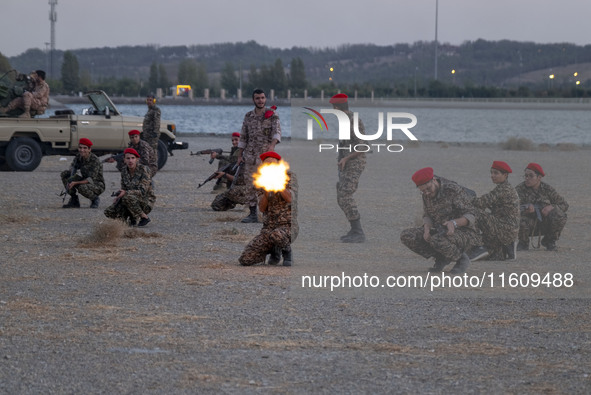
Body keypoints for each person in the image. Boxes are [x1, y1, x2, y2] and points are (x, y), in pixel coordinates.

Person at [400, 167, 482, 274]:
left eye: (428, 189)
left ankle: (461, 259)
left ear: (434, 180)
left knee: (436, 239)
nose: (427, 193)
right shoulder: (426, 194)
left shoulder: (452, 190)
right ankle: (442, 258)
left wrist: (454, 223)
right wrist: (427, 228)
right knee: (408, 235)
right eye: (423, 191)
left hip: (465, 232)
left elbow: (472, 215)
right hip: (440, 230)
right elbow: (427, 215)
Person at [239, 151, 298, 266]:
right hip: (268, 228)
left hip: (288, 227)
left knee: (277, 235)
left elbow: (290, 198)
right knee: (245, 259)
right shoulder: (261, 180)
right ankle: (273, 250)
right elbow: (261, 208)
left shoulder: (289, 177)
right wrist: (266, 191)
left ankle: (286, 251)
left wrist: (279, 184)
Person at [236, 88, 281, 223]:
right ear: (253, 100)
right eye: (257, 98)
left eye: (262, 98)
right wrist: (239, 155)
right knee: (250, 184)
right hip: (250, 155)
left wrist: (272, 146)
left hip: (266, 156)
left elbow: (277, 133)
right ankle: (252, 214)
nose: (260, 100)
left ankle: (269, 214)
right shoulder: (248, 116)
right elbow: (243, 136)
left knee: (267, 184)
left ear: (265, 99)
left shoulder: (272, 114)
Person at [331, 93, 367, 243]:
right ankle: (354, 229)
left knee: (345, 195)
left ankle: (358, 232)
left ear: (337, 108)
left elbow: (363, 146)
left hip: (355, 162)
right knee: (341, 195)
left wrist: (346, 158)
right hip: (346, 163)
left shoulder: (353, 121)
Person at [471, 161, 520, 261]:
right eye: (491, 173)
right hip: (507, 229)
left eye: (496, 173)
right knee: (494, 256)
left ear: (505, 175)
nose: (492, 176)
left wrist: (465, 197)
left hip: (505, 229)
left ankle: (479, 246)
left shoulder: (503, 189)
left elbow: (480, 203)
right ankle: (504, 248)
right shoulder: (506, 187)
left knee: (474, 212)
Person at [515, 163, 568, 251]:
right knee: (521, 220)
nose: (527, 178)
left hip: (545, 223)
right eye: (526, 176)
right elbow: (511, 208)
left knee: (560, 215)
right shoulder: (519, 189)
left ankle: (549, 241)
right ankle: (523, 243)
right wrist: (525, 211)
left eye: (531, 176)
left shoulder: (547, 189)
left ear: (539, 177)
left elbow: (564, 204)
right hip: (528, 224)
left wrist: (552, 207)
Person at [104, 148, 156, 227]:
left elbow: (143, 191)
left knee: (127, 197)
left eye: (133, 158)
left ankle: (144, 217)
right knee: (109, 211)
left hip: (145, 201)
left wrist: (125, 193)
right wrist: (118, 196)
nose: (130, 161)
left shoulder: (144, 170)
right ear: (124, 160)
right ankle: (129, 219)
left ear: (137, 159)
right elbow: (124, 188)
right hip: (130, 200)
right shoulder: (124, 171)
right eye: (128, 158)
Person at [60, 138, 105, 209]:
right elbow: (73, 166)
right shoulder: (79, 156)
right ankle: (74, 200)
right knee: (65, 174)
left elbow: (90, 179)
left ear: (89, 149)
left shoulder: (94, 160)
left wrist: (75, 182)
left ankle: (94, 199)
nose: (82, 150)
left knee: (81, 187)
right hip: (85, 179)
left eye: (85, 148)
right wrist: (71, 172)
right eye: (80, 148)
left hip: (97, 184)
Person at [140, 94, 161, 161]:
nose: (149, 102)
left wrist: (155, 132)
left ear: (154, 101)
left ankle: (153, 165)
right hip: (147, 134)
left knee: (152, 150)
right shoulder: (149, 110)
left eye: (151, 100)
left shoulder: (156, 110)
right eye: (148, 100)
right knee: (147, 150)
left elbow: (157, 122)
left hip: (152, 135)